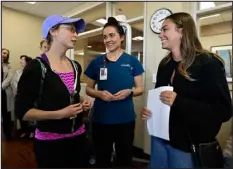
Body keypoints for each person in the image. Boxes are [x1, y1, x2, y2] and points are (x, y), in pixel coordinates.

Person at [141, 12, 232, 168]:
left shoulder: (208, 63)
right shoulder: (165, 64)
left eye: (165, 29)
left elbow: (223, 111)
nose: (160, 34)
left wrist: (179, 101)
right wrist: (150, 111)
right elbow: (160, 99)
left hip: (187, 146)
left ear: (182, 31)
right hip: (159, 139)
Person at [15, 15, 92, 168]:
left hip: (79, 138)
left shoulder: (76, 66)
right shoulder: (36, 67)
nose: (76, 34)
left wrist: (82, 101)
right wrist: (60, 114)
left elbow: (70, 93)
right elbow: (22, 112)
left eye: (76, 31)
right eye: (71, 29)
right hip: (51, 143)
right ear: (53, 32)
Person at [84, 17, 144, 168]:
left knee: (124, 158)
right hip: (101, 119)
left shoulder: (132, 61)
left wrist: (129, 92)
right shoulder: (97, 62)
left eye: (112, 35)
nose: (108, 40)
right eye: (105, 37)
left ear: (122, 37)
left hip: (125, 119)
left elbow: (140, 88)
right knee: (102, 158)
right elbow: (88, 89)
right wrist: (100, 94)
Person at [11, 55, 32, 139]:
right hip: (19, 96)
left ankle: (31, 131)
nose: (20, 61)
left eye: (22, 59)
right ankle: (24, 130)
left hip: (28, 96)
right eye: (20, 59)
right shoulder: (18, 72)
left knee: (29, 115)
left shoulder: (31, 71)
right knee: (20, 114)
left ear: (27, 61)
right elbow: (14, 83)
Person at [2, 48, 14, 140]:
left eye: (6, 54)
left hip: (4, 92)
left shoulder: (8, 66)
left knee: (6, 114)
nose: (4, 55)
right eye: (3, 52)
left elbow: (9, 78)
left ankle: (8, 135)